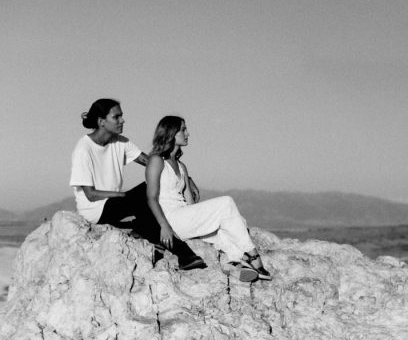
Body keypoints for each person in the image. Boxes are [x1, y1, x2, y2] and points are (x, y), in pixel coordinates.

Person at [69, 98, 207, 270]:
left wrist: (187, 178)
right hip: (94, 210)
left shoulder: (120, 142)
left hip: (114, 204)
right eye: (116, 117)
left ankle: (149, 232)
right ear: (101, 121)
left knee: (153, 186)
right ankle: (184, 254)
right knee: (144, 193)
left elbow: (153, 163)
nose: (122, 120)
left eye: (121, 116)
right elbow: (90, 194)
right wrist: (123, 196)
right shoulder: (84, 149)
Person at [145, 115, 272, 282]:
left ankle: (232, 262)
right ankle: (252, 255)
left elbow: (190, 204)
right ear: (171, 133)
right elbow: (151, 197)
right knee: (226, 202)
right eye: (183, 130)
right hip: (169, 219)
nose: (188, 133)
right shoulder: (156, 160)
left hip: (184, 217)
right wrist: (163, 226)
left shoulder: (182, 167)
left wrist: (205, 220)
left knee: (235, 222)